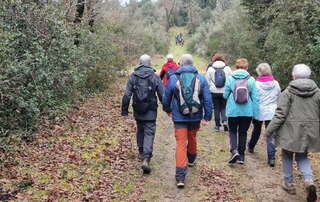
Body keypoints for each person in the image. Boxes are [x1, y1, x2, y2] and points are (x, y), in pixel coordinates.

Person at [266, 64, 319, 202]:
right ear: (309, 76)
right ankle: (309, 180)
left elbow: (280, 114)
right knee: (302, 156)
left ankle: (289, 183)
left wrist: (269, 130)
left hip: (290, 131)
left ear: (294, 76)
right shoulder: (317, 92)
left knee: (287, 154)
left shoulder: (288, 92)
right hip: (310, 131)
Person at [163, 54, 212, 188]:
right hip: (195, 116)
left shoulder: (173, 78)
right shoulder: (201, 78)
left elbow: (166, 97)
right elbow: (207, 99)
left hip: (179, 117)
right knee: (192, 137)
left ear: (181, 64)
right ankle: (191, 159)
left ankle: (180, 177)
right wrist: (207, 116)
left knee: (180, 144)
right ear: (192, 64)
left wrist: (167, 109)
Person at [121, 54, 164, 174]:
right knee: (149, 132)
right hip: (151, 110)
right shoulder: (154, 76)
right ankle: (146, 157)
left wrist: (124, 110)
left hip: (138, 109)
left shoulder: (133, 76)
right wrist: (167, 108)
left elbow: (127, 94)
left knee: (140, 129)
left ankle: (141, 152)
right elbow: (162, 94)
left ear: (139, 63)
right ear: (150, 63)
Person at [223, 58, 259, 164]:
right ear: (247, 67)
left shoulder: (230, 78)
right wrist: (256, 114)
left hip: (233, 111)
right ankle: (242, 157)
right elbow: (256, 98)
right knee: (243, 132)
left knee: (233, 131)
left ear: (236, 67)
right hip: (247, 112)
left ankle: (234, 151)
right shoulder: (251, 80)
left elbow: (225, 95)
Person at [247, 63, 281, 167]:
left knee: (256, 130)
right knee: (270, 134)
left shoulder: (256, 84)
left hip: (259, 110)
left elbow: (253, 98)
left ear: (259, 72)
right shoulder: (275, 83)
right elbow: (278, 96)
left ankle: (251, 146)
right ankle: (271, 158)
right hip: (271, 111)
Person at [206, 54, 232, 132]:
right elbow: (231, 80)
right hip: (225, 91)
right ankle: (225, 121)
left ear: (214, 60)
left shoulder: (210, 69)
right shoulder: (227, 68)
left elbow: (207, 81)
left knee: (216, 108)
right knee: (224, 107)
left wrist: (210, 88)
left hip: (214, 91)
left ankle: (217, 126)